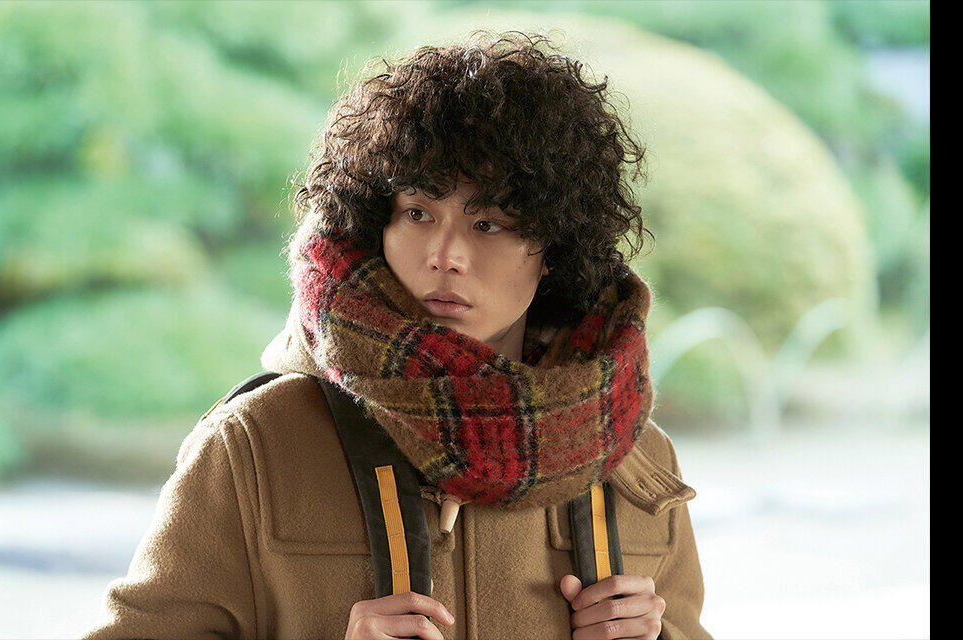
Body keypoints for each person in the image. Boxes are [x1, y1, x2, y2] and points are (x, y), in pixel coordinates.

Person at [84, 30, 711, 640]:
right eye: (417, 213)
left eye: (488, 224)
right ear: (374, 224)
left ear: (554, 247)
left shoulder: (634, 459)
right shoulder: (255, 443)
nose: (445, 255)